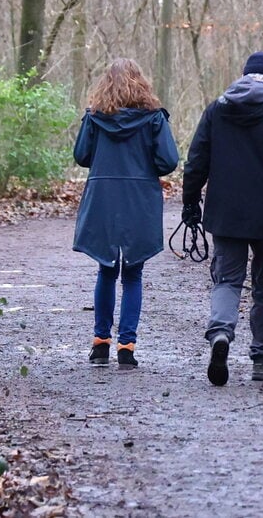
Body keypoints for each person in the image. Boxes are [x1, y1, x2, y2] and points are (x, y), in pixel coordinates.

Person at [182, 51, 263, 385]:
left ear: (242, 76)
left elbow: (196, 161)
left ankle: (221, 333)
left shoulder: (216, 111)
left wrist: (190, 203)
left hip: (225, 215)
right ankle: (262, 360)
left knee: (227, 280)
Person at [73, 58, 179, 369]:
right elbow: (169, 161)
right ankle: (127, 346)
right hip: (139, 199)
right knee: (133, 272)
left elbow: (81, 156)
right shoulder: (154, 119)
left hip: (103, 197)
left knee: (106, 268)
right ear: (141, 83)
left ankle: (100, 342)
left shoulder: (94, 117)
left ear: (105, 84)